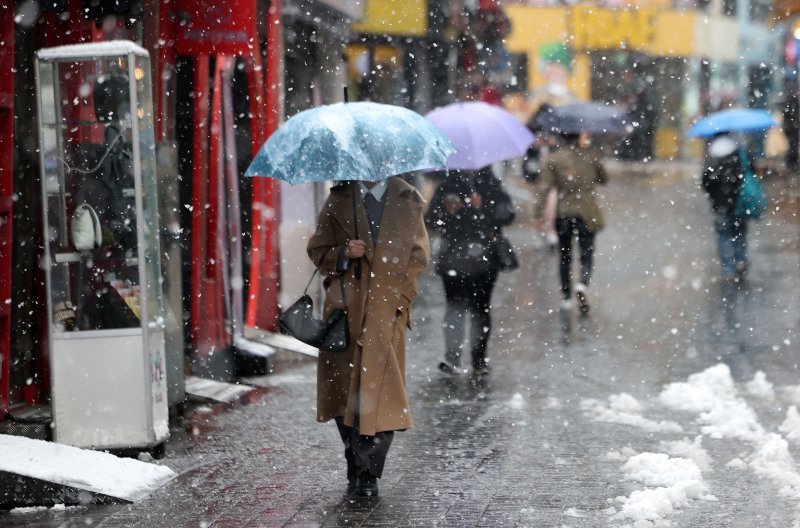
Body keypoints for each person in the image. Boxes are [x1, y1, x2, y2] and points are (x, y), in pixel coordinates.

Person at [306, 176, 430, 498]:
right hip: (346, 311)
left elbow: (418, 260)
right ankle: (356, 460)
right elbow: (317, 251)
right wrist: (343, 253)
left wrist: (402, 301)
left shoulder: (408, 199)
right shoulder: (338, 199)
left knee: (384, 397)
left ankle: (368, 470)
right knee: (344, 396)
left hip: (387, 313)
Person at [425, 166, 515, 376]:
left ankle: (479, 359)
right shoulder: (447, 186)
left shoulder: (491, 185)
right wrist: (448, 212)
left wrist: (484, 207)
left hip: (486, 257)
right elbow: (430, 219)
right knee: (454, 307)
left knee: (481, 307)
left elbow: (508, 215)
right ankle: (452, 357)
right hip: (453, 258)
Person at [534, 131, 607, 315]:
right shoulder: (591, 156)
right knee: (587, 252)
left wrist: (538, 213)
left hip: (564, 213)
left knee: (565, 256)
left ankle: (566, 297)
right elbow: (604, 179)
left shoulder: (554, 159)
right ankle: (582, 283)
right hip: (587, 213)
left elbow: (545, 188)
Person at [701, 132, 749, 281]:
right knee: (739, 232)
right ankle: (741, 261)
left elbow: (705, 182)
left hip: (720, 205)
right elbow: (748, 174)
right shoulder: (739, 151)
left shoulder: (711, 154)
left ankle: (728, 268)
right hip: (739, 202)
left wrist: (714, 196)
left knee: (724, 235)